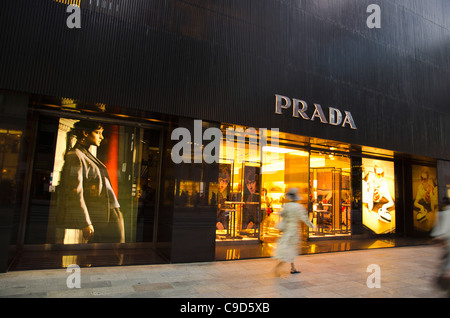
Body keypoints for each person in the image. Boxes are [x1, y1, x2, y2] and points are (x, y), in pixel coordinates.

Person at [56, 120, 125, 243]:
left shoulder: (86, 154)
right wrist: (85, 222)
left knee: (113, 250)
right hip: (102, 213)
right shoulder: (76, 155)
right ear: (85, 133)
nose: (101, 137)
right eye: (98, 132)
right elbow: (76, 192)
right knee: (111, 251)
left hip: (109, 212)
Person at [274, 188, 314, 275]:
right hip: (294, 230)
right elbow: (304, 218)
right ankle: (279, 265)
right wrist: (311, 225)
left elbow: (281, 214)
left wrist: (279, 212)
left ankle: (293, 268)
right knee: (291, 249)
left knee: (288, 247)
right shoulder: (299, 207)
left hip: (287, 229)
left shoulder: (287, 205)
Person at [430, 197, 450, 289]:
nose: (441, 203)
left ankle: (442, 278)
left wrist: (438, 239)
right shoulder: (443, 213)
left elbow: (442, 231)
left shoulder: (443, 214)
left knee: (446, 263)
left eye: (442, 201)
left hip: (447, 243)